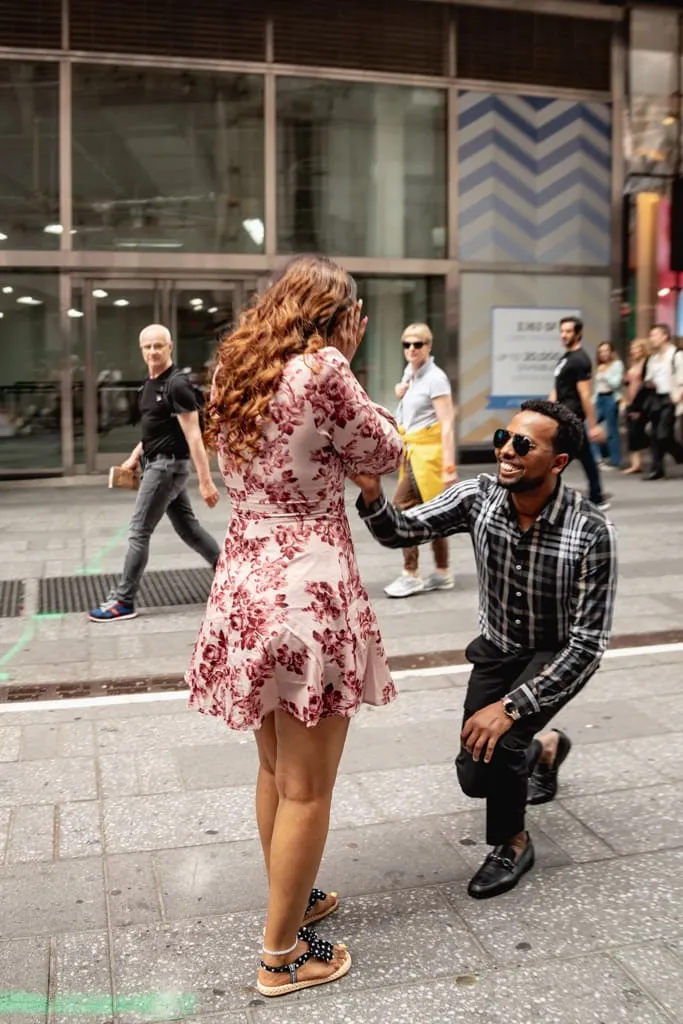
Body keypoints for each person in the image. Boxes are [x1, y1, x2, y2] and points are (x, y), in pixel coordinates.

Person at [185, 256, 404, 997]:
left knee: (276, 766)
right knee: (309, 787)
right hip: (306, 589)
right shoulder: (323, 368)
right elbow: (384, 453)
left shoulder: (235, 368)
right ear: (335, 313)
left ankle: (295, 891)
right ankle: (283, 956)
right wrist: (346, 355)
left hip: (244, 582)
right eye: (356, 311)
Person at [355, 399, 617, 900]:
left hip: (553, 655)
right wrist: (372, 495)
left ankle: (512, 843)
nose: (507, 451)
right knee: (476, 775)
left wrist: (513, 707)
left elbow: (587, 645)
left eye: (525, 445)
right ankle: (547, 749)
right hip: (497, 649)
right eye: (504, 437)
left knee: (505, 741)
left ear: (558, 462)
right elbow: (404, 532)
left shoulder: (591, 532)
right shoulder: (480, 495)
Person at [89, 324, 221, 622]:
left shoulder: (177, 385)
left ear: (170, 346)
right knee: (189, 529)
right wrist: (135, 456)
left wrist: (206, 481)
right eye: (147, 347)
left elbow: (194, 436)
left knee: (138, 532)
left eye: (158, 346)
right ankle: (229, 575)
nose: (152, 352)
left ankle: (123, 601)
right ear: (141, 349)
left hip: (167, 468)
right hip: (156, 464)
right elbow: (156, 429)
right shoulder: (150, 384)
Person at [384, 323, 457, 598]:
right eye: (407, 345)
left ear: (429, 346)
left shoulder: (436, 378)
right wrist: (401, 393)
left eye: (418, 344)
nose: (412, 349)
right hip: (414, 453)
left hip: (428, 456)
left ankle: (411, 574)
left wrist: (449, 468)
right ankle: (442, 571)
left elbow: (447, 423)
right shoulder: (411, 373)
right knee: (433, 511)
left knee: (401, 509)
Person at [549, 317, 609, 510]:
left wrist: (593, 425)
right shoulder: (565, 358)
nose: (564, 335)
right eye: (562, 331)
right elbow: (558, 389)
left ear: (578, 334)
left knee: (555, 459)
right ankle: (597, 496)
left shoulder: (580, 360)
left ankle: (544, 496)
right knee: (585, 458)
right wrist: (545, 410)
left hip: (571, 418)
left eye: (568, 331)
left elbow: (585, 394)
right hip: (564, 416)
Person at [642, 323, 683, 480]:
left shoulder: (676, 355)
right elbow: (649, 378)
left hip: (670, 398)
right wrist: (649, 383)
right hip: (656, 398)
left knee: (663, 435)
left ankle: (680, 455)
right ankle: (656, 469)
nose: (651, 339)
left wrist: (679, 396)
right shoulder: (653, 358)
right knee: (654, 434)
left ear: (664, 336)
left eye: (654, 335)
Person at [590, 341, 624, 469]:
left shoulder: (617, 365)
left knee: (611, 430)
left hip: (611, 398)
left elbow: (615, 384)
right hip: (599, 398)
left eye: (606, 350)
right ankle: (597, 458)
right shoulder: (599, 366)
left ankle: (615, 460)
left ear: (611, 352)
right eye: (601, 351)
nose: (603, 354)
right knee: (591, 427)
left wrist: (605, 374)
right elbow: (597, 387)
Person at [622, 339, 650, 475]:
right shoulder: (632, 364)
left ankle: (638, 463)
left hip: (640, 403)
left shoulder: (646, 364)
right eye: (632, 349)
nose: (633, 351)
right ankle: (636, 464)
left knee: (637, 432)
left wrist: (638, 407)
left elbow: (645, 385)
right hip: (630, 401)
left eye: (636, 349)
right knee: (631, 433)